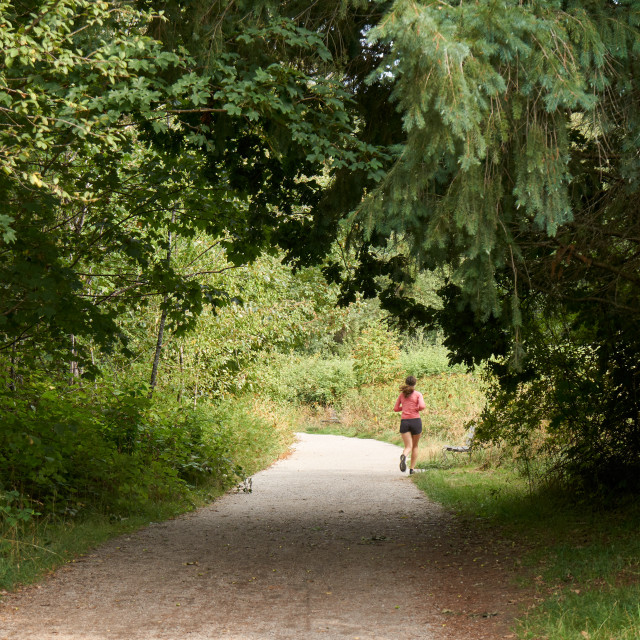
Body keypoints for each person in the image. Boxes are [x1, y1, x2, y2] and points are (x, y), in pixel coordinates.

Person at [393, 375, 426, 474]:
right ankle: (412, 470)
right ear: (415, 383)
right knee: (415, 446)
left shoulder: (402, 395)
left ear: (406, 383)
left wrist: (404, 408)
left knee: (408, 446)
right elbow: (422, 406)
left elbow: (395, 408)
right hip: (415, 421)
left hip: (405, 422)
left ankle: (404, 456)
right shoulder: (418, 394)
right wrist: (416, 409)